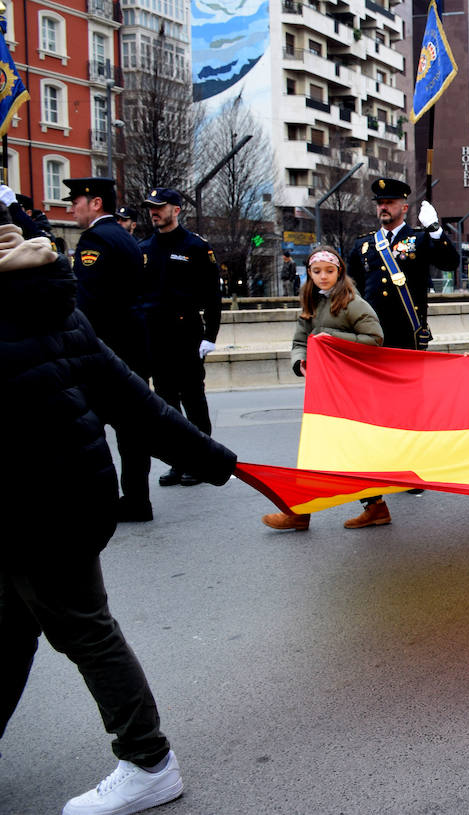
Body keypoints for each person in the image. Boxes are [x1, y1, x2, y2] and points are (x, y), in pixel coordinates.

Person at [0, 220, 237, 815]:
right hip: (67, 496)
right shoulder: (58, 307)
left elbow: (131, 402)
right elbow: (132, 400)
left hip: (36, 509)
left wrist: (214, 461)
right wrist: (213, 458)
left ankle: (148, 761)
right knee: (9, 629)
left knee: (85, 630)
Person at [262, 247, 384, 531]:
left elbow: (375, 339)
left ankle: (305, 512)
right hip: (323, 389)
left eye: (329, 271)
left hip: (350, 389)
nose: (323, 277)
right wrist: (299, 363)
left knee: (336, 450)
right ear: (309, 274)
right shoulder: (310, 302)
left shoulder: (353, 303)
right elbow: (300, 342)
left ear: (339, 272)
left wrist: (331, 336)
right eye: (317, 272)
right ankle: (371, 506)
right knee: (324, 449)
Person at [64, 177, 155, 522]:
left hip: (104, 351)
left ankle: (99, 502)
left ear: (96, 203)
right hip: (132, 346)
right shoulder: (125, 238)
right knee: (133, 429)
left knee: (88, 429)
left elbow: (86, 303)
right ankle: (137, 499)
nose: (72, 207)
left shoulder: (96, 239)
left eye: (77, 201)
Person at [140, 187, 223, 488]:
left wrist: (210, 335)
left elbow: (213, 296)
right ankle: (179, 460)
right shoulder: (145, 247)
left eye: (159, 207)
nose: (154, 212)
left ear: (176, 210)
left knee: (192, 398)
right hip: (155, 334)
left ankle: (202, 460)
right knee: (165, 400)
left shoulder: (196, 247)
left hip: (186, 332)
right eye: (151, 207)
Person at [347, 177, 459, 350]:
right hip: (372, 331)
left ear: (404, 208)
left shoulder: (420, 239)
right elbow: (352, 286)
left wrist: (435, 229)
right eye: (380, 203)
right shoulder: (363, 244)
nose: (383, 207)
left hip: (407, 330)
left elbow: (450, 263)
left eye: (389, 202)